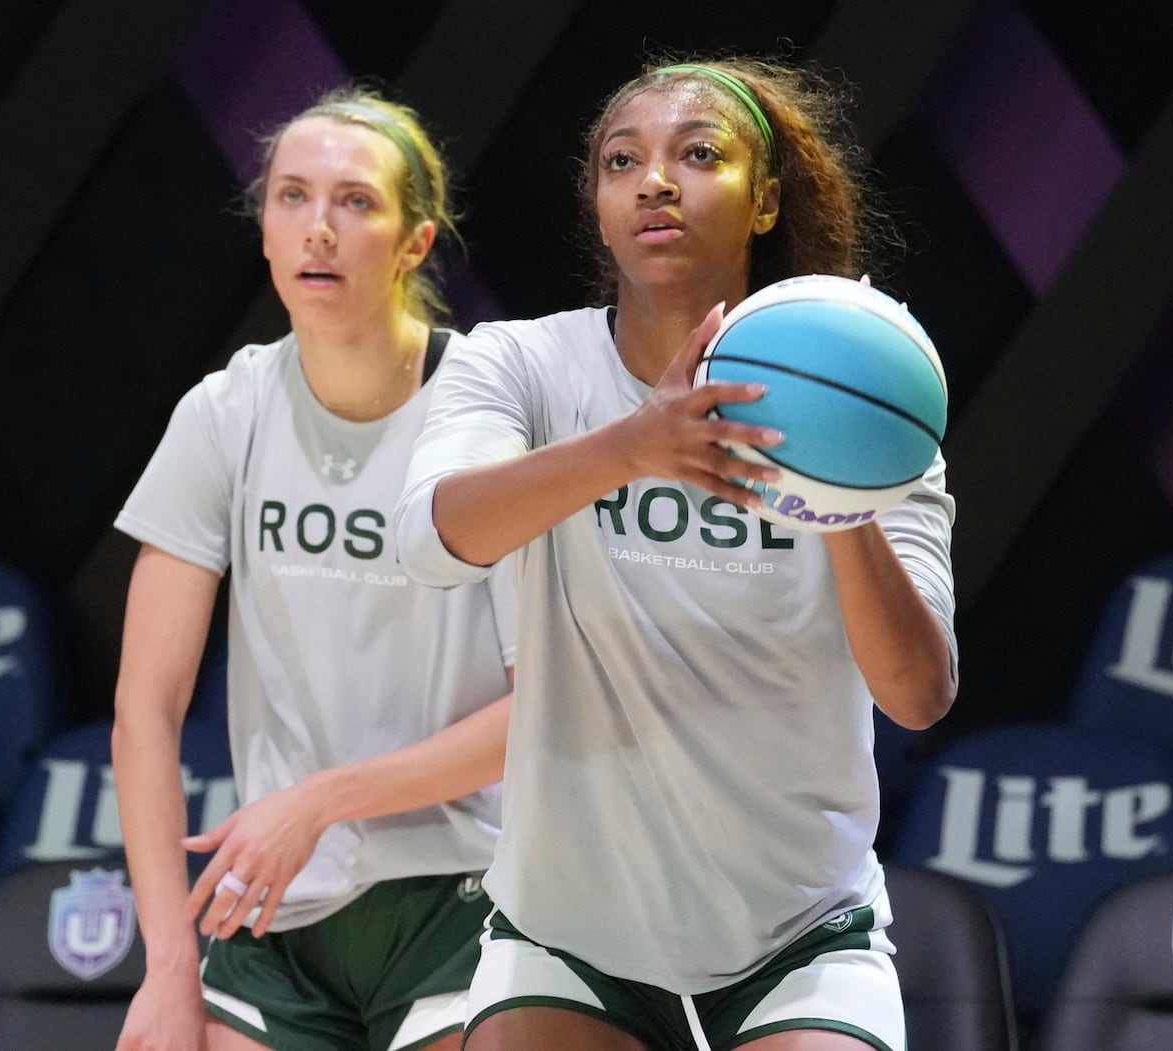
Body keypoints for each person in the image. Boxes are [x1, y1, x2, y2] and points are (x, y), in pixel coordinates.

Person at [392, 58, 956, 1051]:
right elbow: (431, 541)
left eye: (699, 154)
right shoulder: (522, 365)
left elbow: (916, 693)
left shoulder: (877, 406)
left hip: (797, 929)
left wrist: (840, 497)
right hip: (570, 933)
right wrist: (626, 448)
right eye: (623, 160)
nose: (656, 179)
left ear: (765, 199)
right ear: (599, 202)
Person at [110, 86, 516, 1051]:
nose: (318, 230)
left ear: (416, 242)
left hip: (466, 890)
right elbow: (145, 709)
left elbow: (545, 706)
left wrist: (324, 797)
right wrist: (169, 970)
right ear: (263, 226)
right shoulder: (225, 411)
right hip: (277, 905)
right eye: (292, 197)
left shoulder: (490, 413)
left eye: (355, 202)